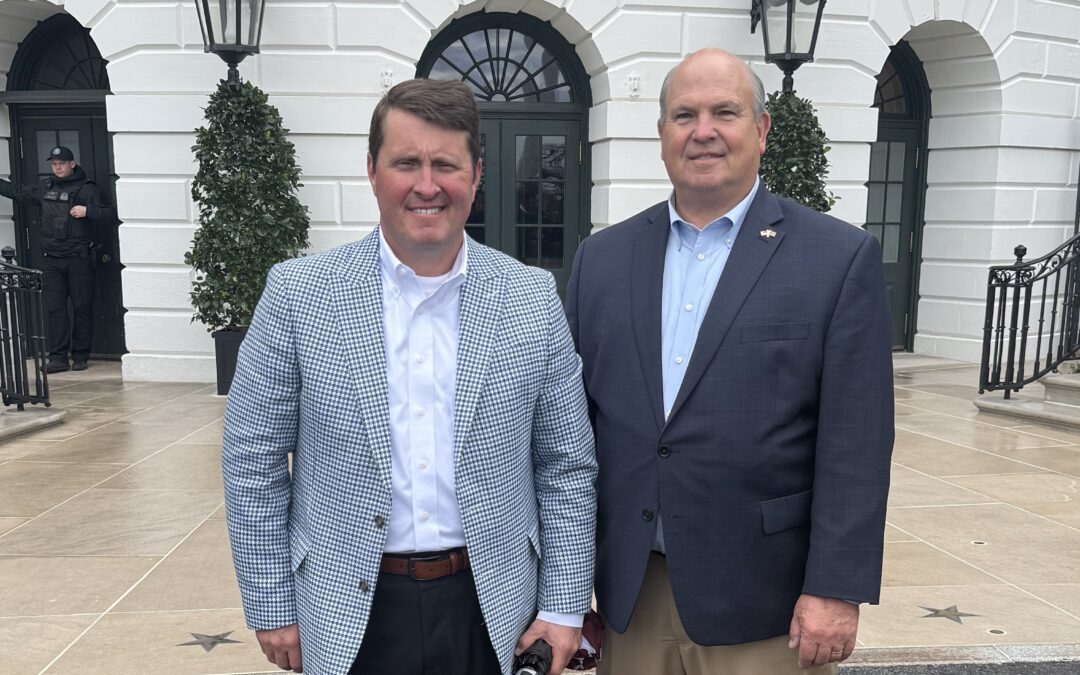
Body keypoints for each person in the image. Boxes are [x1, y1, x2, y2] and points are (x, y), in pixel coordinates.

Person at [222, 78, 597, 675]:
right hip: (349, 607)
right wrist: (270, 602)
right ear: (372, 171)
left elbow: (566, 465)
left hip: (494, 606)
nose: (427, 185)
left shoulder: (530, 298)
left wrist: (565, 603)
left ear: (476, 176)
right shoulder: (298, 295)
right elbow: (253, 459)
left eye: (446, 164)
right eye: (406, 163)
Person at [565, 48, 894, 675]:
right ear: (662, 134)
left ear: (761, 130)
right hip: (631, 595)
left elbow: (857, 442)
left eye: (725, 112)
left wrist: (835, 588)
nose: (704, 131)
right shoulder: (601, 261)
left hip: (765, 603)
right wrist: (566, 582)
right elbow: (570, 435)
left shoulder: (836, 258)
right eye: (684, 114)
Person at [0, 145, 114, 372]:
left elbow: (109, 215)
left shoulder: (87, 189)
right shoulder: (46, 187)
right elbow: (19, 191)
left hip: (79, 259)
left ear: (72, 164)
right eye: (54, 164)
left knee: (82, 308)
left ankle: (80, 356)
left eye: (62, 163)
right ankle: (58, 358)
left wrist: (88, 211)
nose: (58, 167)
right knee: (55, 309)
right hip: (51, 259)